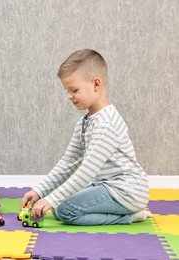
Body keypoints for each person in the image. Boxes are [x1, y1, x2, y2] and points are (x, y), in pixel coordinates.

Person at [21, 49, 152, 225]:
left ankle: (131, 216)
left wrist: (51, 200)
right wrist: (39, 191)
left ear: (96, 85)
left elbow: (86, 172)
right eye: (67, 91)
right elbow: (68, 162)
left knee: (65, 210)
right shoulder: (85, 122)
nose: (69, 96)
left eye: (74, 90)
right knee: (59, 208)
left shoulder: (106, 124)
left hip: (126, 191)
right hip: (106, 186)